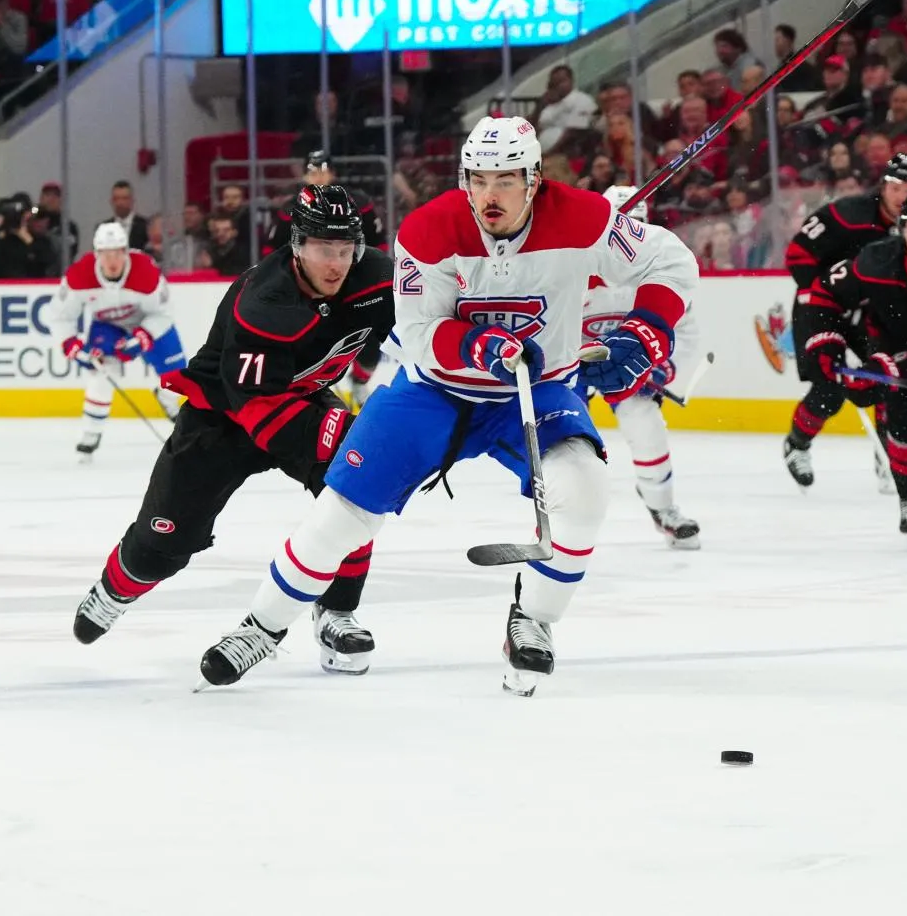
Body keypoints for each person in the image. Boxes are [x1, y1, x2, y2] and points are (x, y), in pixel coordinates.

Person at [196, 117, 697, 696]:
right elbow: (418, 329)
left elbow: (671, 262)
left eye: (506, 179)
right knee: (342, 513)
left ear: (535, 180)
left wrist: (648, 328)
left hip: (535, 392)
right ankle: (262, 626)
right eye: (478, 179)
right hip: (435, 391)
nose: (490, 194)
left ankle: (532, 619)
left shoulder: (585, 219)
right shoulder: (429, 229)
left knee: (584, 491)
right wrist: (478, 344)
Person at [68, 186, 395, 677]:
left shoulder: (378, 278)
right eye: (325, 250)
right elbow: (257, 407)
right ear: (298, 245)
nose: (337, 264)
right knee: (162, 547)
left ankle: (336, 611)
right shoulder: (263, 301)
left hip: (301, 395)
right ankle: (119, 586)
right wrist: (339, 431)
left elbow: (425, 323)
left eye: (346, 250)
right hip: (223, 416)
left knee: (354, 483)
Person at [792, 186, 907, 539]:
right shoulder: (876, 259)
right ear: (901, 228)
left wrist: (887, 371)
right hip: (889, 338)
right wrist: (827, 343)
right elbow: (824, 293)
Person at [780, 153, 907, 490]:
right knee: (829, 389)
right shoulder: (847, 213)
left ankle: (888, 457)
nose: (902, 195)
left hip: (870, 312)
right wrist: (824, 296)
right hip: (822, 306)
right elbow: (797, 255)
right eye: (896, 186)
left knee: (889, 377)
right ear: (884, 185)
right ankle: (797, 445)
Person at [586, 185, 703, 549]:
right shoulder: (574, 270)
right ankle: (555, 510)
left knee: (645, 421)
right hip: (572, 364)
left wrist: (660, 368)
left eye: (634, 230)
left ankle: (663, 508)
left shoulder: (659, 273)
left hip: (626, 368)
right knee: (562, 440)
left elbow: (685, 334)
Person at [49, 222, 188, 457]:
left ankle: (166, 398)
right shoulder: (79, 275)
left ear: (126, 252)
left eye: (117, 253)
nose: (112, 261)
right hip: (108, 326)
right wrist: (71, 344)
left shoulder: (145, 270)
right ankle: (91, 431)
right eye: (105, 254)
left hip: (147, 321)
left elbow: (164, 314)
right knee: (103, 370)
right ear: (97, 254)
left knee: (177, 374)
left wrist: (142, 336)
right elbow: (59, 316)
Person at [268, 150, 388, 410]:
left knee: (369, 340)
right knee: (311, 342)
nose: (319, 176)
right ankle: (316, 391)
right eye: (313, 170)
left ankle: (358, 382)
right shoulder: (290, 209)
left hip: (352, 284)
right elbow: (272, 253)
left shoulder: (358, 202)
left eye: (323, 170)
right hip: (306, 290)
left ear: (333, 173)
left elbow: (379, 245)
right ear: (303, 174)